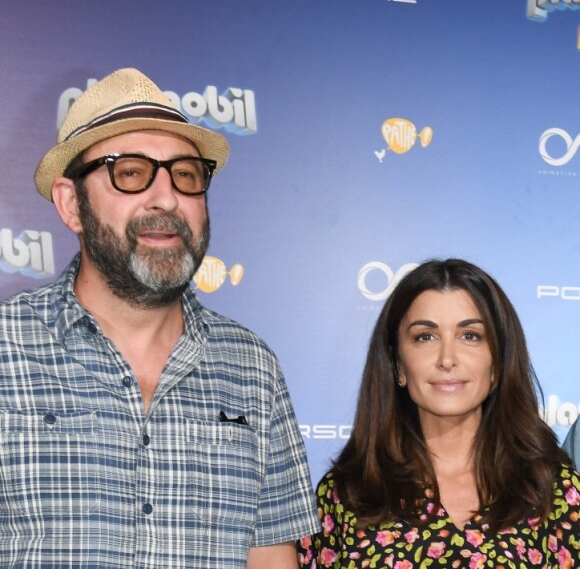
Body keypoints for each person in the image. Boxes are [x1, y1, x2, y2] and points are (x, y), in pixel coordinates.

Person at [0, 68, 318, 568]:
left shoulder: (254, 369)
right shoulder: (5, 349)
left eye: (186, 175)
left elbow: (270, 558)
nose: (167, 198)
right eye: (130, 171)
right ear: (71, 204)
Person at [298, 259, 579, 568]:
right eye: (425, 337)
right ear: (398, 365)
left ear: (498, 363)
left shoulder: (554, 491)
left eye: (470, 335)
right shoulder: (346, 495)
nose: (447, 359)